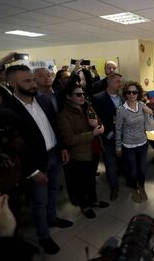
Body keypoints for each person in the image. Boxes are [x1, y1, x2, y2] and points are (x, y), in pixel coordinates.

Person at [3, 65, 72, 254]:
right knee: (38, 202)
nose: (33, 84)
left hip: (54, 155)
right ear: (11, 83)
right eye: (27, 81)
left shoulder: (43, 100)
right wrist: (32, 171)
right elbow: (13, 147)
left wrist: (62, 147)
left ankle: (52, 218)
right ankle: (44, 236)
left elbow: (54, 127)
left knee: (52, 194)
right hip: (35, 165)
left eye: (33, 79)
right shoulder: (8, 110)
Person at [57, 83, 109, 219]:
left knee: (92, 180)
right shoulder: (64, 115)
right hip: (80, 154)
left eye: (83, 94)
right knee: (81, 183)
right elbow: (70, 139)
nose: (82, 97)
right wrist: (93, 133)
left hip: (94, 149)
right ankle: (84, 205)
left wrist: (100, 126)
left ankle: (93, 200)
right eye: (78, 94)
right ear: (68, 97)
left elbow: (98, 121)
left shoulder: (87, 106)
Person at [115, 81, 154, 203]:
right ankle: (133, 188)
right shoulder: (121, 110)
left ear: (138, 93)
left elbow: (150, 122)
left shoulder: (142, 105)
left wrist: (151, 112)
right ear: (125, 94)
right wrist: (118, 147)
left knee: (142, 169)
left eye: (135, 92)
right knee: (132, 170)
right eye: (129, 92)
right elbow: (118, 129)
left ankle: (141, 186)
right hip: (128, 145)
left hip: (143, 143)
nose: (132, 94)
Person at [91, 73, 124, 201]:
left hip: (123, 137)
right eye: (117, 81)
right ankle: (114, 188)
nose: (120, 84)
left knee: (122, 161)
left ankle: (123, 178)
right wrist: (108, 134)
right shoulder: (98, 98)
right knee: (110, 164)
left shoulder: (123, 98)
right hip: (108, 138)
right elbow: (96, 120)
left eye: (121, 81)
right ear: (109, 82)